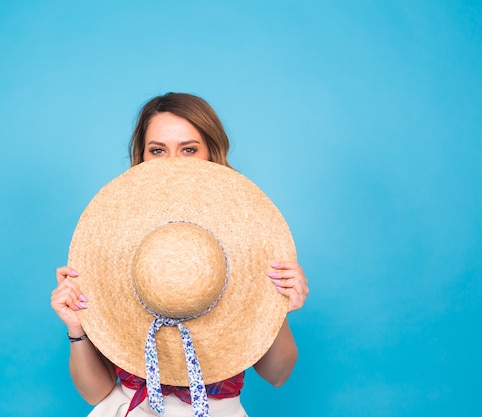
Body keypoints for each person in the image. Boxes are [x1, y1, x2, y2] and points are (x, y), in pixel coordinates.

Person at [51, 92, 309, 416]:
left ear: (211, 154)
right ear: (141, 157)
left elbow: (278, 375)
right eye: (157, 150)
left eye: (189, 149)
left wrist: (277, 307)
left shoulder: (250, 242)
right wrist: (78, 328)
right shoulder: (110, 244)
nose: (173, 163)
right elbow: (96, 392)